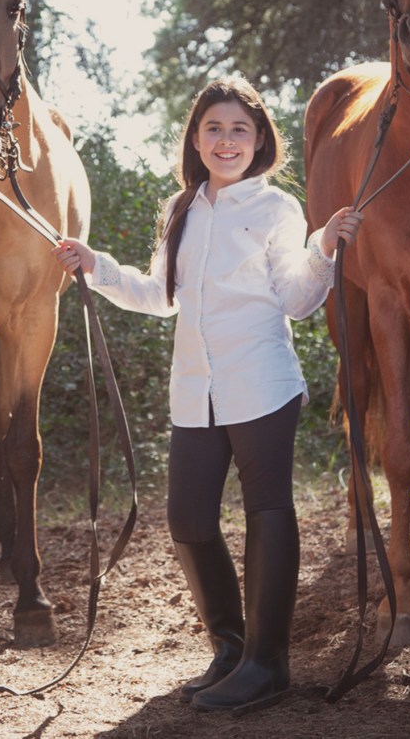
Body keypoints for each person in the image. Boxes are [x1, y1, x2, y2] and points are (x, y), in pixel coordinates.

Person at [53, 77, 362, 714]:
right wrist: (94, 263)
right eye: (214, 129)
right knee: (188, 521)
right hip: (195, 392)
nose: (226, 141)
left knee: (267, 510)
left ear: (259, 141)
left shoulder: (275, 209)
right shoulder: (181, 210)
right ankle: (230, 649)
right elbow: (158, 296)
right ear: (196, 139)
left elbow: (300, 301)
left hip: (262, 383)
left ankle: (267, 663)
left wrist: (323, 247)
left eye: (239, 130)